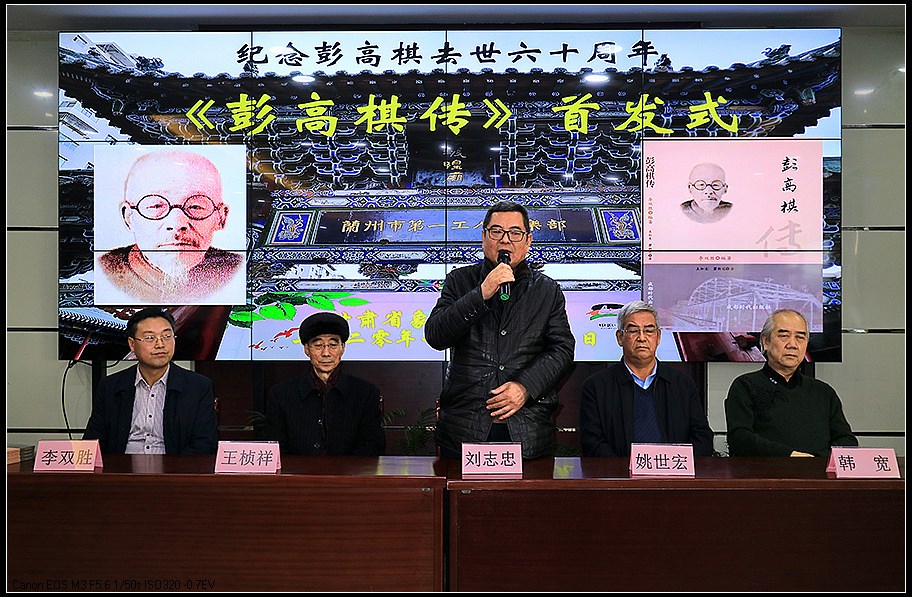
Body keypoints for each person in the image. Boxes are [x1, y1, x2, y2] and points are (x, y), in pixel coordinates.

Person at [425, 200, 575, 460]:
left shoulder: (547, 290)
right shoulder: (459, 281)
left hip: (527, 428)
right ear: (484, 237)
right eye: (496, 232)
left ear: (527, 241)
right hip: (465, 427)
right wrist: (481, 293)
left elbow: (562, 350)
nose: (505, 240)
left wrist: (525, 387)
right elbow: (436, 335)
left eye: (515, 233)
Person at [96, 148, 244, 304]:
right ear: (128, 217)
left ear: (221, 217)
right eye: (156, 206)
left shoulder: (238, 272)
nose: (177, 224)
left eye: (195, 206)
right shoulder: (104, 273)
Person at [579, 300, 714, 457]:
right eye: (633, 331)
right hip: (619, 472)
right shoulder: (597, 387)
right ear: (620, 337)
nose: (642, 338)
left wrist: (677, 465)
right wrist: (623, 468)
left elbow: (702, 438)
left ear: (658, 337)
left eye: (649, 331)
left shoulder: (682, 384)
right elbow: (592, 442)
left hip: (673, 470)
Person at [83, 307, 219, 454]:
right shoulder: (110, 386)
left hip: (174, 466)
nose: (160, 344)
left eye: (167, 336)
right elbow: (93, 441)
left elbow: (204, 443)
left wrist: (174, 467)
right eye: (149, 338)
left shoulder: (198, 386)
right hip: (123, 465)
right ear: (132, 344)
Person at [725, 308, 857, 457]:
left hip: (817, 470)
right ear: (765, 341)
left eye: (800, 337)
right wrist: (790, 455)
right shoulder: (745, 386)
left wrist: (815, 460)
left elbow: (846, 440)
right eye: (784, 336)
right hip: (767, 471)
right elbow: (740, 439)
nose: (792, 344)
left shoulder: (823, 392)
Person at [264, 312, 385, 455]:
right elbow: (275, 449)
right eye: (318, 345)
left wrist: (342, 468)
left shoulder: (365, 393)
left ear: (342, 348)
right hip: (297, 470)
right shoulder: (281, 395)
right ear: (306, 349)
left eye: (333, 345)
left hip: (350, 469)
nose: (326, 353)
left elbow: (373, 445)